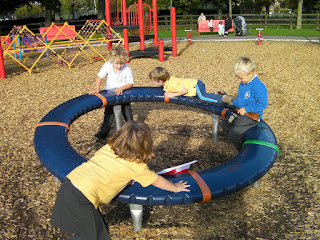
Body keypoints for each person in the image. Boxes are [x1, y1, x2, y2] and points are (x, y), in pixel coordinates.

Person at [50, 121, 190, 240]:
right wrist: (175, 187)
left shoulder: (109, 148)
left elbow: (107, 167)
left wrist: (122, 178)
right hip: (82, 198)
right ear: (146, 145)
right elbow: (157, 181)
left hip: (70, 184)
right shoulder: (136, 166)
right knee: (96, 236)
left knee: (94, 231)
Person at [221, 57, 268, 151]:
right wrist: (233, 103)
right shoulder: (243, 84)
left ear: (251, 73)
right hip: (241, 113)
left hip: (251, 116)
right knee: (224, 124)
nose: (239, 80)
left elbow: (262, 104)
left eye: (241, 78)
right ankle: (237, 140)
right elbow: (241, 99)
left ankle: (242, 150)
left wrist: (247, 109)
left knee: (234, 132)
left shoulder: (258, 87)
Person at [89, 46, 134, 139]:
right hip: (110, 94)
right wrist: (97, 88)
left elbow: (130, 83)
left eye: (122, 63)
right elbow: (100, 77)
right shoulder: (107, 65)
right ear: (112, 60)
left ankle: (132, 132)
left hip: (123, 94)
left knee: (128, 114)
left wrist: (121, 88)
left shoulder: (127, 69)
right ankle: (103, 133)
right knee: (108, 115)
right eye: (117, 63)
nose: (119, 66)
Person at [149, 66, 235, 103]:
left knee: (202, 97)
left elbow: (184, 91)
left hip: (196, 85)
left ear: (160, 81)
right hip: (194, 86)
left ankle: (222, 99)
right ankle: (218, 93)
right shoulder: (167, 82)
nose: (153, 83)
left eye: (154, 81)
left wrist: (172, 95)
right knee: (202, 95)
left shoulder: (172, 84)